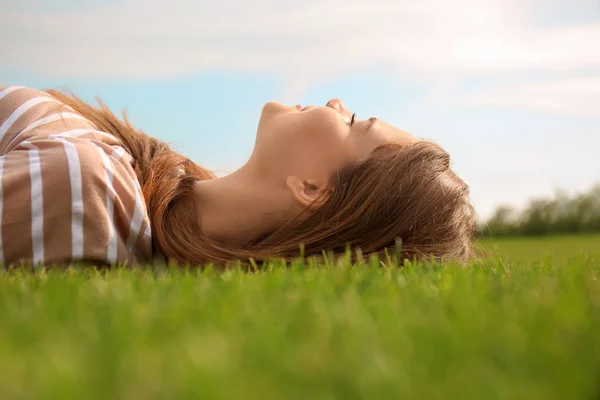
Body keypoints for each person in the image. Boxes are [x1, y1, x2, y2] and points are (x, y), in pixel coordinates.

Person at [0, 85, 476, 268]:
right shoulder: (148, 181)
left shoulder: (86, 189)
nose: (336, 102)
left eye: (354, 123)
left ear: (312, 187)